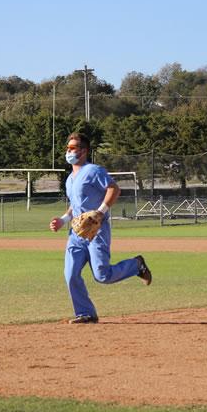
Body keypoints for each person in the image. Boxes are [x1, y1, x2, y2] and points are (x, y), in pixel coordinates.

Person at [49, 132, 152, 324]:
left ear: (84, 151)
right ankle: (86, 313)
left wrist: (101, 212)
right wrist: (63, 220)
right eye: (68, 148)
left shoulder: (94, 170)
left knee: (102, 276)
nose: (69, 151)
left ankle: (136, 265)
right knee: (70, 274)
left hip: (97, 231)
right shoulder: (70, 179)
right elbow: (75, 205)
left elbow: (114, 189)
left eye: (73, 148)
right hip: (76, 233)